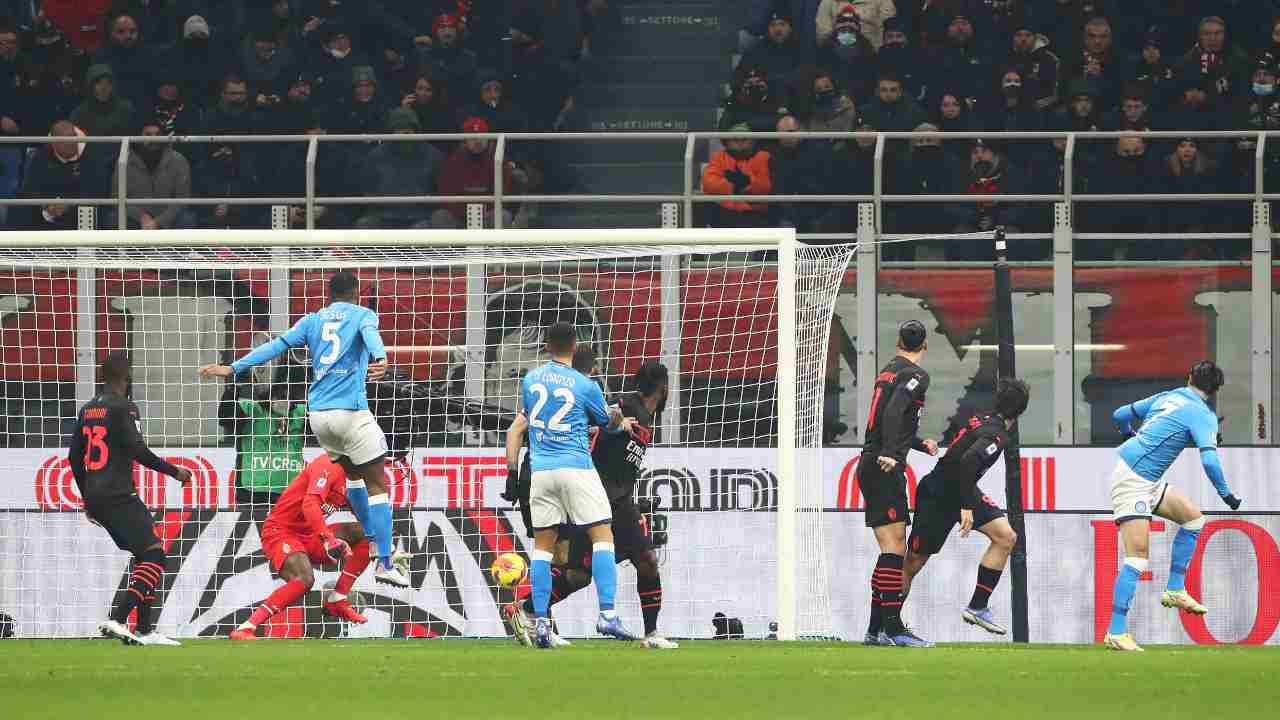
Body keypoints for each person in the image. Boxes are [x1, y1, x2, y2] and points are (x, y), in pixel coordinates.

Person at [197, 271, 408, 588]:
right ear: (357, 294)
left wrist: (233, 368)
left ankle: (379, 545)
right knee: (379, 485)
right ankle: (386, 562)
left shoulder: (313, 320)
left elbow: (275, 347)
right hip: (350, 412)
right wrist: (381, 356)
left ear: (329, 294)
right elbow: (371, 336)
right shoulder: (364, 314)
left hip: (319, 418)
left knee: (353, 477)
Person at [506, 357, 678, 650]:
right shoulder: (627, 406)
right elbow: (598, 416)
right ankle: (534, 610)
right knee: (594, 571)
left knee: (600, 571)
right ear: (663, 389)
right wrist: (607, 422)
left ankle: (650, 633)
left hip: (618, 500)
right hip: (597, 497)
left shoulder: (645, 417)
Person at [1103, 361, 1242, 652]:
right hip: (1134, 480)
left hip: (1145, 478)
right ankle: (1116, 632)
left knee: (1193, 519)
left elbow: (1119, 415)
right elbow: (1209, 459)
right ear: (1215, 390)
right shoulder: (1204, 415)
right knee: (1137, 559)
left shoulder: (1169, 395)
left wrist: (1129, 434)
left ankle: (1175, 589)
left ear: (1189, 377)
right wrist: (1226, 494)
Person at [521, 321, 639, 648]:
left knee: (543, 548)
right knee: (602, 535)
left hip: (541, 470)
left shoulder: (530, 380)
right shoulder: (584, 384)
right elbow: (608, 423)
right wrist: (621, 420)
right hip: (575, 466)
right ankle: (607, 614)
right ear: (575, 347)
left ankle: (541, 622)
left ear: (546, 346)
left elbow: (531, 417)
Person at [68, 352, 193, 646]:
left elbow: (74, 456)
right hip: (119, 494)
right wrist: (174, 471)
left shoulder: (87, 409)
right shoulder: (125, 408)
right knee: (155, 555)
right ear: (127, 379)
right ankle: (118, 618)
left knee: (144, 554)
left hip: (97, 495)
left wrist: (87, 496)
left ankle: (145, 629)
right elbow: (138, 450)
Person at [901, 379, 1030, 637]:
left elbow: (963, 459)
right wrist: (965, 506)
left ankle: (978, 607)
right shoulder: (996, 435)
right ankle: (886, 624)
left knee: (1006, 537)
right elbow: (969, 460)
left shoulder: (981, 418)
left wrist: (966, 499)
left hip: (961, 489)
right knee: (914, 562)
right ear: (1021, 411)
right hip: (938, 494)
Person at [229, 455, 372, 640]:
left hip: (311, 536)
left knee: (369, 533)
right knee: (304, 578)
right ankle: (246, 628)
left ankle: (338, 597)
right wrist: (328, 538)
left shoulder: (356, 479)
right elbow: (310, 504)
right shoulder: (328, 464)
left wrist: (387, 552)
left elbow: (366, 517)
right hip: (281, 531)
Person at [859, 320, 938, 647]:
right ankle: (893, 629)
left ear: (898, 342)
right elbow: (894, 412)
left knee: (890, 548)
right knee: (894, 548)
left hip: (871, 461)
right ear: (926, 345)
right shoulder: (917, 375)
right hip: (883, 464)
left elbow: (886, 419)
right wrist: (893, 453)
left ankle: (875, 630)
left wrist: (919, 444)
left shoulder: (889, 370)